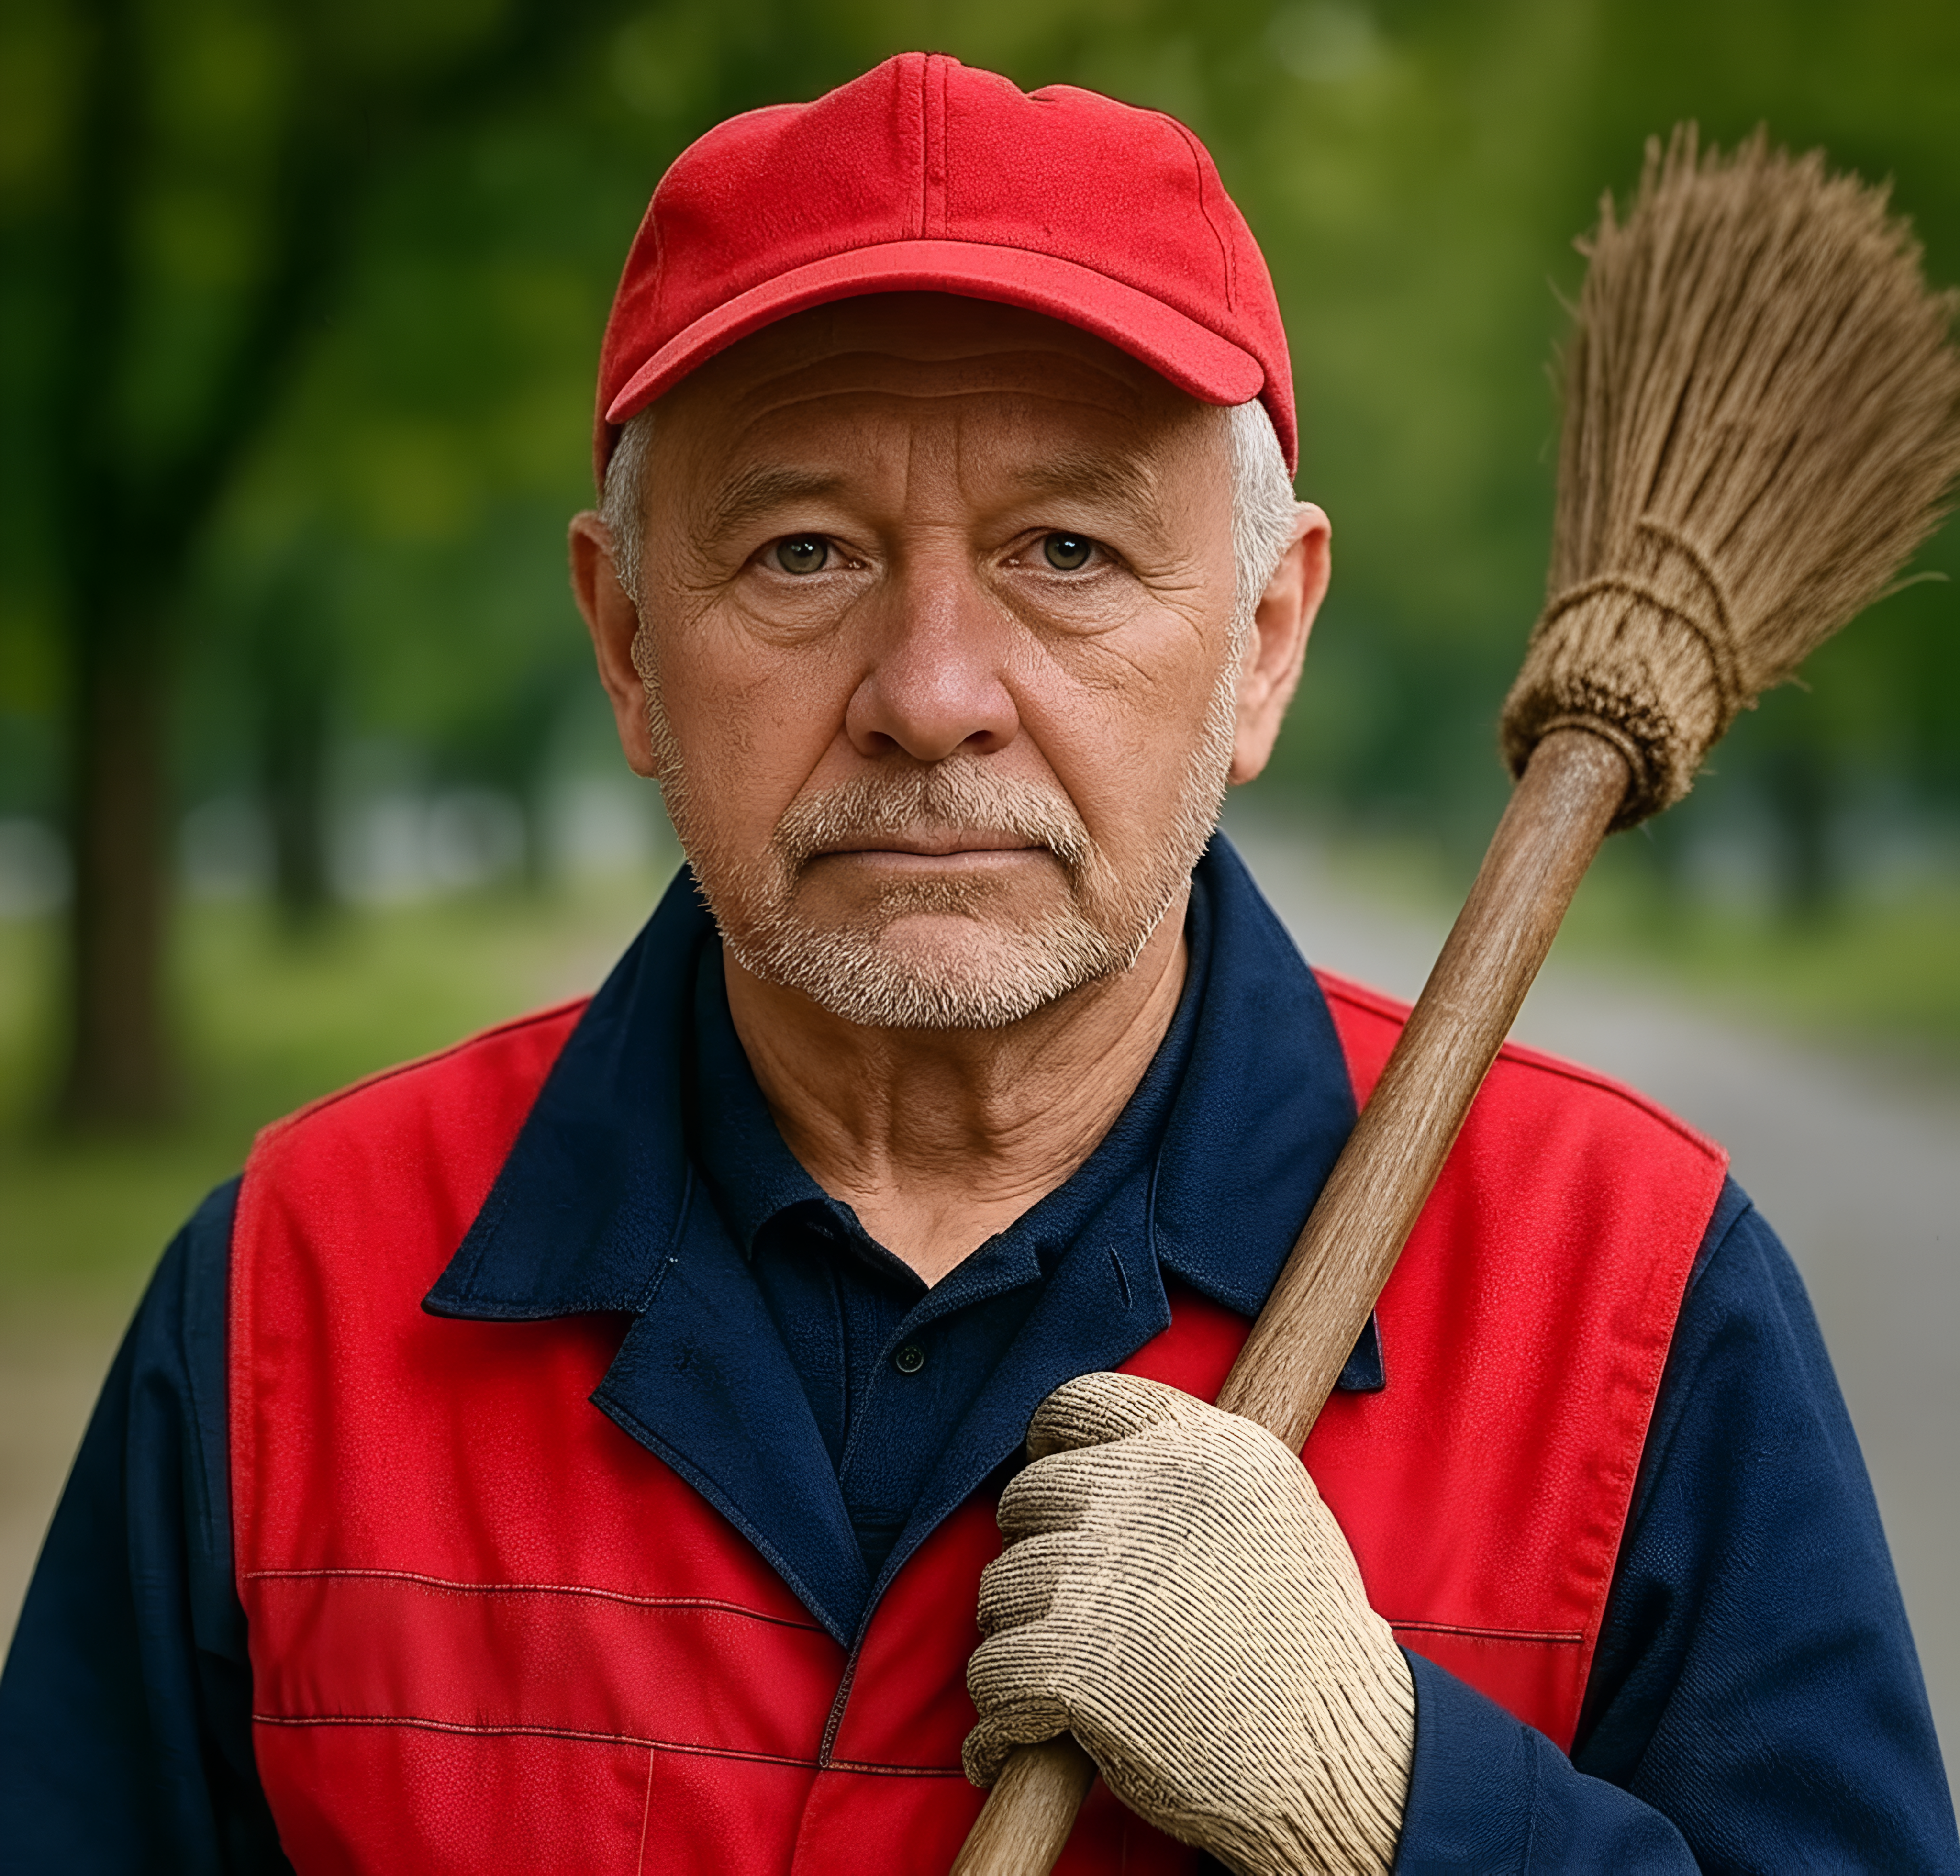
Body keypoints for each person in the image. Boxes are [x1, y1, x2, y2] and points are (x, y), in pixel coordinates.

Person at [2, 52, 1954, 1876]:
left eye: (1067, 552)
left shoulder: (1622, 1288)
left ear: (1266, 637)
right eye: (801, 552)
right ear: (621, 640)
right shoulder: (289, 1306)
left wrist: (1401, 1791)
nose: (933, 696)